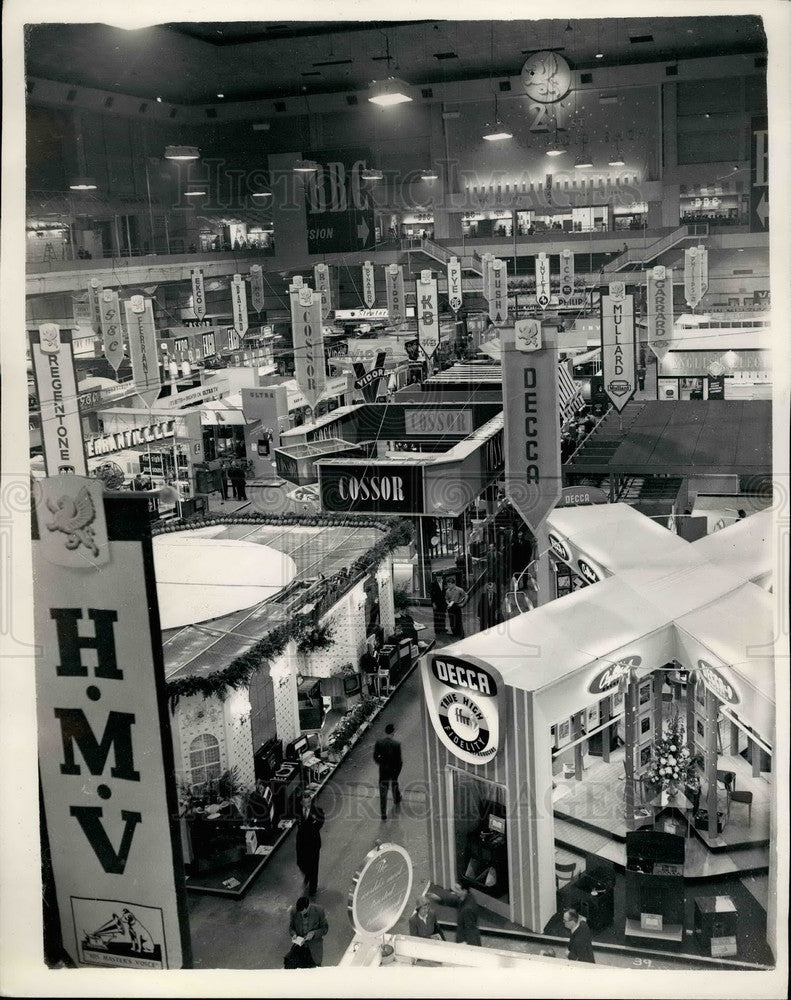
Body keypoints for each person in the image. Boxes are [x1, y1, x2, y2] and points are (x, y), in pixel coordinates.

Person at [428, 880, 480, 946]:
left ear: (464, 891)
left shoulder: (467, 910)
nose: (454, 891)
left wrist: (468, 945)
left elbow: (470, 929)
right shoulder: (467, 897)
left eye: (457, 889)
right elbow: (455, 901)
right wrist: (439, 899)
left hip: (465, 942)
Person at [295, 791, 324, 897]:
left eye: (308, 802)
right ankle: (307, 874)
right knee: (300, 862)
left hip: (313, 843)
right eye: (304, 803)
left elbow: (320, 823)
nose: (307, 805)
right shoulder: (298, 810)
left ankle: (313, 887)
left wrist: (310, 828)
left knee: (313, 866)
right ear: (302, 802)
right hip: (301, 842)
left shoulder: (317, 811)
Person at [287, 895, 328, 967]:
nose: (301, 914)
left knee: (314, 969)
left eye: (302, 911)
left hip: (314, 949)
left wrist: (314, 933)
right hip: (299, 948)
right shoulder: (294, 911)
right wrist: (293, 934)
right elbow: (291, 927)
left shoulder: (319, 911)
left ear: (307, 907)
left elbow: (324, 929)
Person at [373, 723, 402, 820]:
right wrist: (397, 771)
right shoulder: (396, 745)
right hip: (393, 770)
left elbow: (375, 757)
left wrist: (381, 764)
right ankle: (396, 798)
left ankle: (383, 813)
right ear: (393, 732)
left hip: (383, 770)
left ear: (385, 731)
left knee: (383, 791)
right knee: (394, 784)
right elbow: (399, 761)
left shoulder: (379, 743)